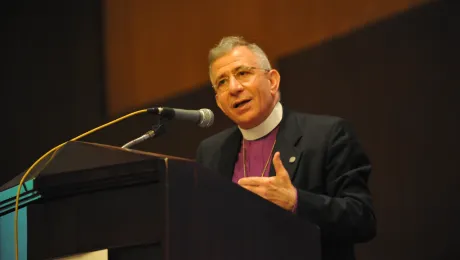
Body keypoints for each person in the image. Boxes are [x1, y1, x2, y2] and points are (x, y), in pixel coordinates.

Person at [195, 36, 376, 260]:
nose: (233, 87)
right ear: (219, 101)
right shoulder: (210, 152)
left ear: (272, 81)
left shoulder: (327, 135)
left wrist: (296, 201)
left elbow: (362, 219)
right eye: (222, 82)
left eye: (243, 73)